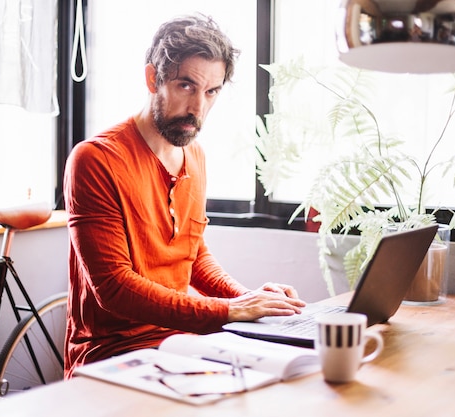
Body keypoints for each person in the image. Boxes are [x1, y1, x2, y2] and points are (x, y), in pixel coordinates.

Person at [62, 14, 306, 379]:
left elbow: (192, 256)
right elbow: (113, 288)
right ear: (152, 79)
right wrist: (228, 311)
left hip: (182, 344)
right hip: (113, 354)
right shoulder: (96, 159)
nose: (198, 109)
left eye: (211, 92)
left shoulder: (195, 155)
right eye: (186, 86)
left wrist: (247, 300)